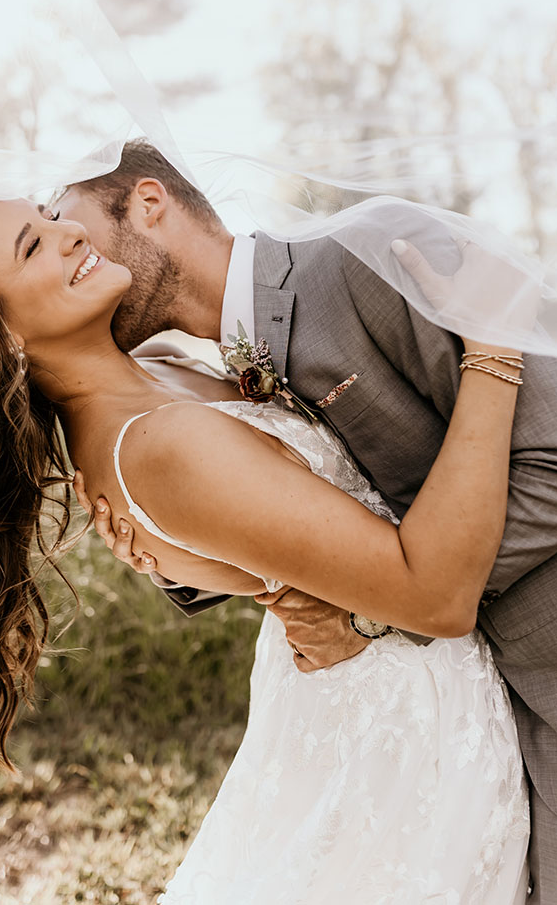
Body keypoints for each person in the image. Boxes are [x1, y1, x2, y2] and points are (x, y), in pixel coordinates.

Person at [0, 191, 531, 902]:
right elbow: (436, 597)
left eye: (46, 216)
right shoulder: (158, 447)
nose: (68, 232)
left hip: (388, 687)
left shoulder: (158, 368)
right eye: (32, 246)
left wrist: (274, 590)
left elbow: (264, 529)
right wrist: (493, 351)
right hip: (409, 732)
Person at [58, 140, 557, 904]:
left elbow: (550, 458)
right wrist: (170, 549)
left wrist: (380, 609)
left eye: (68, 222)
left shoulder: (371, 255)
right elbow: (308, 519)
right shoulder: (195, 369)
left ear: (148, 203)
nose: (65, 247)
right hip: (471, 729)